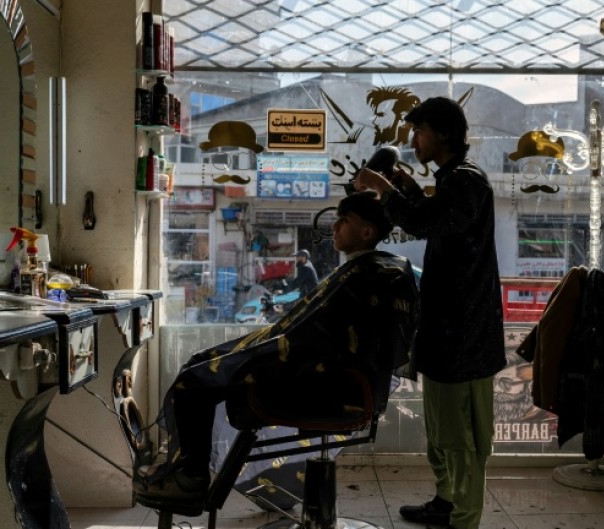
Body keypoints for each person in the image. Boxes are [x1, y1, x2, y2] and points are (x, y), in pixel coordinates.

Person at [132, 191, 420, 516]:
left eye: (344, 221)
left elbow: (302, 341)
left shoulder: (362, 277)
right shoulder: (377, 271)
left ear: (366, 232)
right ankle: (187, 474)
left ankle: (189, 480)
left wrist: (246, 359)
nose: (335, 226)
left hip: (331, 386)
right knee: (201, 365)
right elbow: (307, 335)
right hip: (345, 382)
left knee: (193, 381)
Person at [354, 96, 506, 529]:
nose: (413, 140)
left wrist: (384, 190)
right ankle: (445, 502)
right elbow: (434, 215)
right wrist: (406, 189)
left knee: (463, 438)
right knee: (441, 432)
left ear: (443, 133)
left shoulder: (467, 180)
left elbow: (426, 223)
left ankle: (464, 517)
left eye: (419, 131)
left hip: (465, 334)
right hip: (446, 329)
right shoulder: (455, 181)